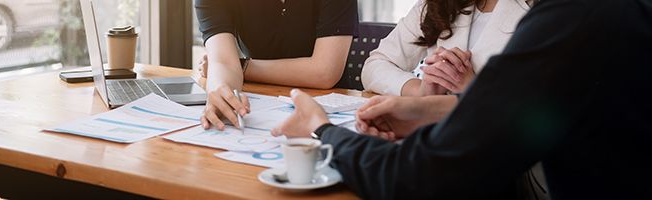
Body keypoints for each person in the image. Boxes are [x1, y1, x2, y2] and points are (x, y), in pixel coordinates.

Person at [272, 0, 652, 199]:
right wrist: (428, 102)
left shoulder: (569, 19)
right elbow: (531, 108)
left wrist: (322, 131)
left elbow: (423, 175)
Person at [194, 0, 358, 130]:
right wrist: (221, 92)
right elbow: (222, 62)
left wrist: (241, 67)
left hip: (332, 110)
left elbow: (325, 72)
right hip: (262, 106)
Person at [362, 0, 533, 97]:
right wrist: (420, 91)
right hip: (435, 134)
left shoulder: (546, 11)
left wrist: (474, 91)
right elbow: (376, 65)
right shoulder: (437, 4)